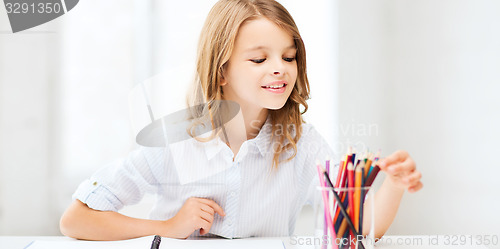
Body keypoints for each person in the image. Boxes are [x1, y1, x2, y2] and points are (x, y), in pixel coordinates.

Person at [60, 0, 423, 241]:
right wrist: (168, 227)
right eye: (259, 60)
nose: (280, 68)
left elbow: (354, 230)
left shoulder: (302, 143)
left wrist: (392, 184)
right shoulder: (175, 142)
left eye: (289, 56)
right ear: (221, 72)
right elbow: (76, 219)